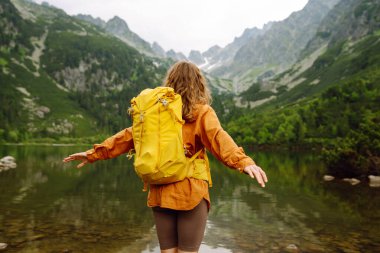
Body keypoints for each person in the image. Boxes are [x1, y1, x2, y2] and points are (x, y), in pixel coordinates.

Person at [63, 61, 268, 253]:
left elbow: (127, 136)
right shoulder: (201, 112)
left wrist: (93, 154)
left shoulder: (156, 116)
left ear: (170, 83)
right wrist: (243, 162)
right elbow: (218, 138)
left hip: (160, 193)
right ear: (199, 85)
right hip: (190, 191)